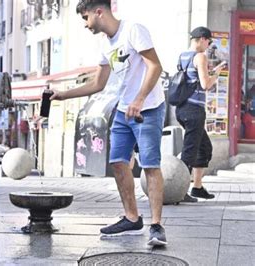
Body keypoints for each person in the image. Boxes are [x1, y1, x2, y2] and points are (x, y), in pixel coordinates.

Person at [50, 0, 167, 246]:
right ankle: (132, 218)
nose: (84, 24)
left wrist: (140, 98)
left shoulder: (133, 30)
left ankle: (156, 226)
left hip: (148, 108)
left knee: (150, 164)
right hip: (125, 109)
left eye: (85, 18)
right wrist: (63, 94)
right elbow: (98, 84)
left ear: (99, 12)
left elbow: (155, 66)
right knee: (117, 162)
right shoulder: (104, 43)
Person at [176, 27, 225, 201]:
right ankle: (179, 190)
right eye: (209, 41)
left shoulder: (182, 56)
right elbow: (205, 85)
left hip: (181, 109)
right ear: (202, 39)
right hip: (194, 110)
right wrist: (216, 74)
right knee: (190, 151)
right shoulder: (200, 57)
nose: (208, 45)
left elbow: (193, 80)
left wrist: (208, 74)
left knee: (204, 148)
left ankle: (197, 187)